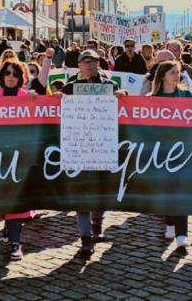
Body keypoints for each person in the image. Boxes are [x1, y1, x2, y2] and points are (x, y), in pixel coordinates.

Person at [56, 50, 126, 257]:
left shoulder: (109, 86)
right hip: (78, 148)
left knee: (100, 191)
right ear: (78, 65)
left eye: (93, 61)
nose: (89, 65)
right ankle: (85, 238)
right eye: (85, 61)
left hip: (103, 146)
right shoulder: (69, 87)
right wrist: (59, 99)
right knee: (81, 193)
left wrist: (122, 97)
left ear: (98, 64)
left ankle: (97, 225)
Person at [0, 60, 37, 260]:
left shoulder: (28, 97)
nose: (11, 76)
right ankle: (8, 230)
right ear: (2, 76)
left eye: (15, 74)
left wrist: (36, 100)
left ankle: (15, 242)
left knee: (17, 200)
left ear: (21, 77)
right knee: (4, 199)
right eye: (7, 73)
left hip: (20, 158)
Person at [148, 60, 192, 248]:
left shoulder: (186, 94)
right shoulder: (151, 98)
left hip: (183, 149)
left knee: (181, 189)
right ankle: (170, 222)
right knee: (167, 188)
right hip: (161, 151)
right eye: (172, 73)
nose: (177, 76)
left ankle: (182, 233)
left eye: (178, 72)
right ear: (162, 76)